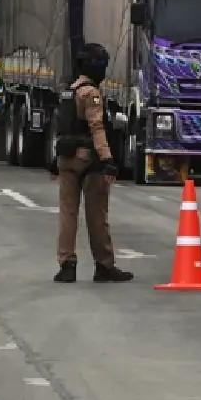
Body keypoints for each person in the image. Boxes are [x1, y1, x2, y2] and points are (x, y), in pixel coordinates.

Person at [53, 42, 134, 285]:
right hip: (88, 159)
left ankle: (66, 265)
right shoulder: (91, 94)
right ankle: (104, 266)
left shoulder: (69, 91)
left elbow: (62, 128)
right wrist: (108, 160)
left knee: (68, 213)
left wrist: (52, 160)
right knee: (96, 214)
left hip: (65, 158)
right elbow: (97, 129)